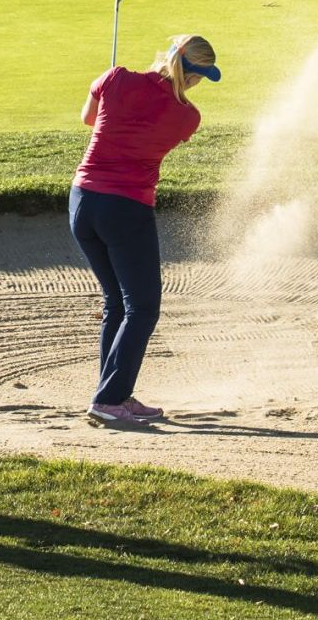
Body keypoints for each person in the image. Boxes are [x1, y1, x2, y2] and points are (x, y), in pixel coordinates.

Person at [69, 31, 216, 427]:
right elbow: (152, 128)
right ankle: (109, 399)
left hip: (82, 202)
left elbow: (88, 118)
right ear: (191, 73)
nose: (201, 82)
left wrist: (111, 86)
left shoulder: (115, 77)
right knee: (143, 307)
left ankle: (112, 394)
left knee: (117, 303)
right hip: (126, 209)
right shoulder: (188, 117)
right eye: (201, 75)